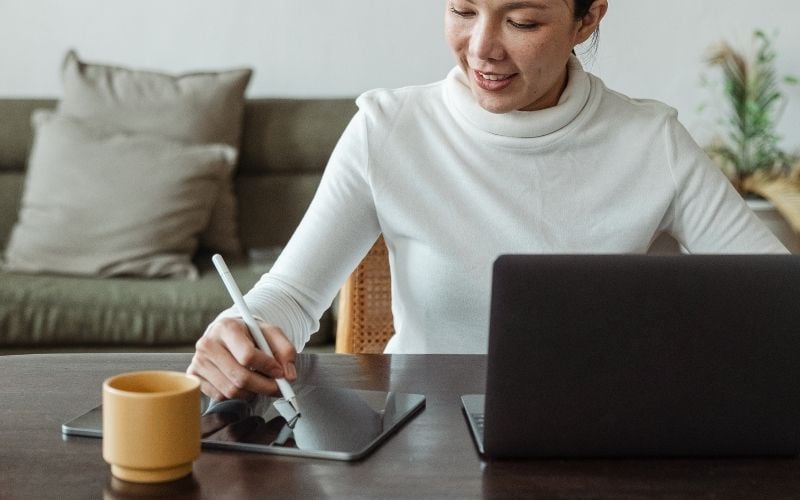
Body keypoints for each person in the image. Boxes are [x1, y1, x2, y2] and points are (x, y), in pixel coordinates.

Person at [188, 0, 788, 400]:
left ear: (588, 19)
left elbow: (773, 297)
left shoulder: (651, 141)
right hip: (422, 437)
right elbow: (289, 296)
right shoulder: (388, 128)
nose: (481, 48)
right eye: (463, 10)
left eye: (522, 21)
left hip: (596, 437)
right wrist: (242, 329)